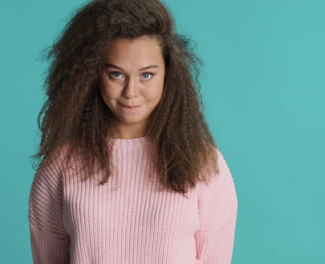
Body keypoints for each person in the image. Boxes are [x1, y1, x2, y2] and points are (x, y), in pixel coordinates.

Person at [27, 0, 238, 263]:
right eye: (116, 74)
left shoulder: (203, 163)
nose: (131, 92)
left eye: (146, 75)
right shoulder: (60, 166)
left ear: (168, 74)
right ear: (92, 75)